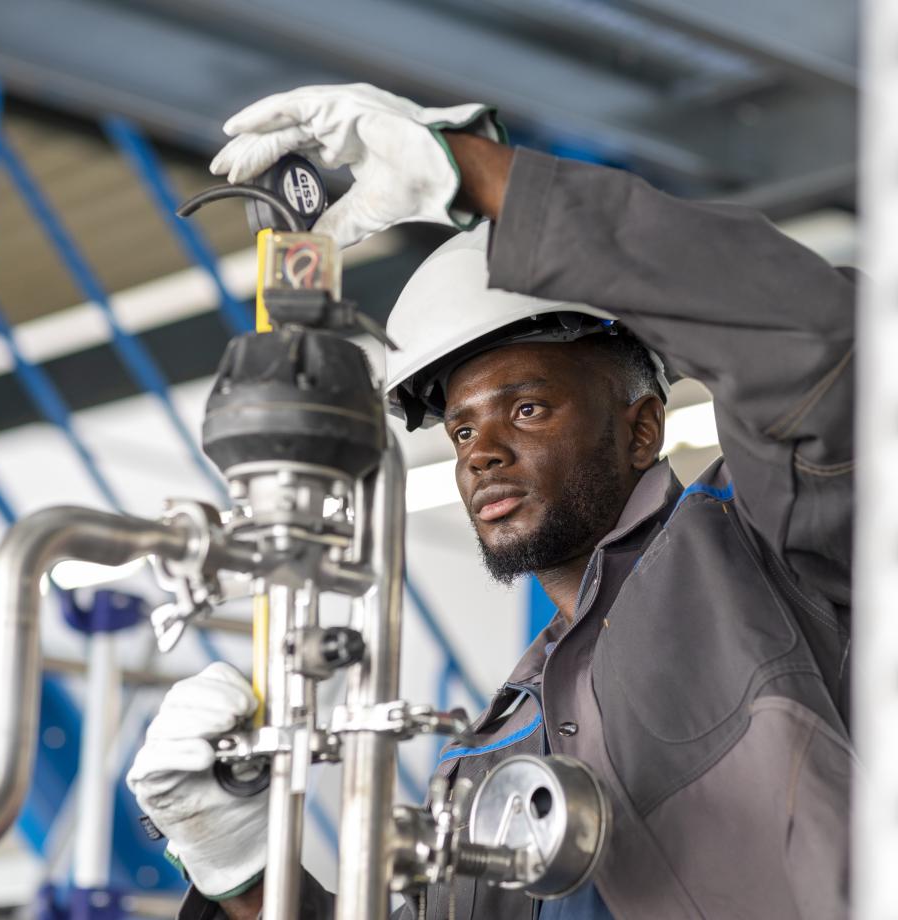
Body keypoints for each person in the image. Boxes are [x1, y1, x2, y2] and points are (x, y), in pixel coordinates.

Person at [129, 83, 857, 920]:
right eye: (462, 430)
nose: (483, 453)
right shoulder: (490, 760)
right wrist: (245, 875)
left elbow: (822, 342)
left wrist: (476, 176)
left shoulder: (770, 549)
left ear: (644, 427)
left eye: (527, 409)